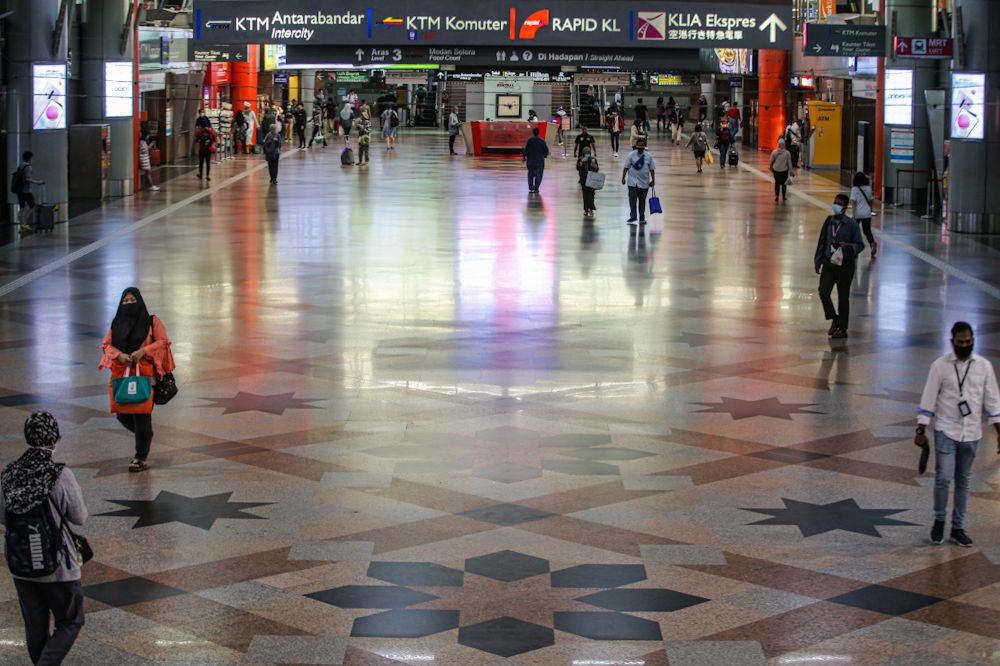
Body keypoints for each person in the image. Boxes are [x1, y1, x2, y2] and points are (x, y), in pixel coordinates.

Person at [0, 412, 88, 666]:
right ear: (56, 438)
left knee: (35, 626)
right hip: (57, 565)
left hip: (21, 564)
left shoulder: (8, 475)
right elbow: (79, 517)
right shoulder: (59, 475)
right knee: (71, 620)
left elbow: (5, 516)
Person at [916, 321, 1000, 547]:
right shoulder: (940, 366)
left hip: (972, 432)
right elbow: (929, 396)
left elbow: (992, 400)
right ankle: (939, 520)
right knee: (943, 478)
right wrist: (921, 427)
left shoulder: (983, 366)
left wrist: (998, 430)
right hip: (945, 429)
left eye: (969, 341)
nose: (965, 345)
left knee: (963, 481)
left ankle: (958, 527)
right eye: (961, 342)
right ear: (952, 341)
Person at [99, 287, 175, 472]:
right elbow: (106, 345)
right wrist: (119, 355)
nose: (129, 303)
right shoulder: (116, 323)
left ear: (140, 302)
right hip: (122, 375)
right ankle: (145, 436)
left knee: (141, 415)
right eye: (126, 301)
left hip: (146, 376)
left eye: (133, 300)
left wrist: (143, 351)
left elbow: (163, 341)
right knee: (122, 413)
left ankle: (140, 457)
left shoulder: (151, 321)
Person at [813, 193, 865, 339]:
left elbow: (860, 245)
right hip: (829, 263)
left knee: (843, 297)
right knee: (823, 291)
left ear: (844, 207)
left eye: (839, 204)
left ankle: (842, 328)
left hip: (845, 266)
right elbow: (822, 241)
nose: (836, 205)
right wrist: (818, 261)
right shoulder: (828, 221)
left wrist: (848, 246)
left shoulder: (852, 225)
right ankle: (835, 319)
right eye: (835, 202)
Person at [622, 139, 655, 226]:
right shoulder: (631, 155)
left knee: (642, 201)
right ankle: (633, 216)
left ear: (644, 147)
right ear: (636, 146)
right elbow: (626, 167)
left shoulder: (649, 156)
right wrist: (623, 178)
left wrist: (653, 180)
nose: (640, 149)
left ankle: (642, 218)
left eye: (642, 147)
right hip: (632, 182)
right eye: (639, 147)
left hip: (644, 183)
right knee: (632, 200)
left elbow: (652, 169)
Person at [13, 151, 44, 231]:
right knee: (32, 206)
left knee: (22, 208)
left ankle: (22, 225)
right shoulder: (28, 167)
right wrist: (38, 182)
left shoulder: (21, 165)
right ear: (30, 158)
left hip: (19, 190)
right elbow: (28, 179)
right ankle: (25, 223)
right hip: (26, 191)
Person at [850, 171, 877, 258]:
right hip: (866, 213)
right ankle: (872, 243)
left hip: (857, 214)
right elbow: (871, 201)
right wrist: (870, 210)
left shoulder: (854, 189)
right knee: (867, 231)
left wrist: (853, 215)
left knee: (854, 232)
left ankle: (854, 248)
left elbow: (853, 203)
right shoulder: (868, 188)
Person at [522, 127, 549, 194]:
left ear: (533, 133)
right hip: (539, 161)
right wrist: (545, 155)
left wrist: (524, 157)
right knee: (538, 175)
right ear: (538, 133)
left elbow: (526, 149)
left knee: (530, 174)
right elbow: (546, 151)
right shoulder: (542, 141)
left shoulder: (530, 140)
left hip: (530, 161)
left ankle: (531, 188)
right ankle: (536, 188)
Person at [576, 147, 599, 217]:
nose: (587, 154)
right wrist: (581, 162)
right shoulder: (580, 159)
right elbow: (578, 168)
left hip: (592, 180)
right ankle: (586, 209)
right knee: (585, 195)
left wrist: (594, 165)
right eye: (585, 153)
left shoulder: (593, 159)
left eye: (588, 153)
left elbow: (597, 169)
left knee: (591, 195)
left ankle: (591, 209)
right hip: (584, 180)